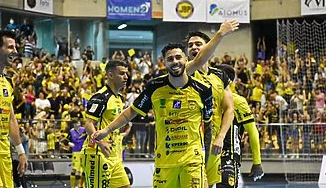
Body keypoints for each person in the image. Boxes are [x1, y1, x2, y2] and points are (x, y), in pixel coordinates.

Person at [93, 43, 214, 187]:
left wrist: (207, 160)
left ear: (186, 59)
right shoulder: (154, 87)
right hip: (164, 162)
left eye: (178, 57)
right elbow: (130, 112)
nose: (175, 62)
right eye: (170, 59)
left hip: (193, 161)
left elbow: (208, 125)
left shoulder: (204, 90)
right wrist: (107, 130)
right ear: (164, 63)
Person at [185, 30, 236, 187]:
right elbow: (199, 60)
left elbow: (229, 109)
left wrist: (221, 136)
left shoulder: (220, 76)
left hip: (214, 140)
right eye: (190, 45)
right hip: (190, 141)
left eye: (198, 44)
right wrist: (220, 34)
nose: (193, 47)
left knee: (209, 184)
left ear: (208, 47)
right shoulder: (185, 71)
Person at [81, 60, 131, 188]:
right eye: (122, 73)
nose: (126, 77)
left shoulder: (118, 98)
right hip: (97, 155)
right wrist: (100, 142)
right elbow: (88, 123)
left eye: (127, 73)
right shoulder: (101, 97)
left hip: (114, 157)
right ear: (110, 75)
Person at [216, 64, 264, 184]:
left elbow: (253, 131)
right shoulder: (207, 97)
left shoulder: (237, 101)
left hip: (229, 155)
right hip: (208, 154)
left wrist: (257, 162)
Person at [0, 30, 27, 188]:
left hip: (4, 150)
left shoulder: (8, 82)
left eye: (15, 47)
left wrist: (20, 151)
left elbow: (11, 119)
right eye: (10, 47)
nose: (15, 51)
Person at [67, 119, 87, 188]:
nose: (77, 125)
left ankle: (81, 185)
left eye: (78, 123)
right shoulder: (71, 131)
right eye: (76, 124)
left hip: (83, 152)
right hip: (75, 152)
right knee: (75, 169)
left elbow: (88, 138)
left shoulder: (84, 130)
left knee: (83, 169)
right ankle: (72, 186)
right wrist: (71, 144)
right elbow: (67, 141)